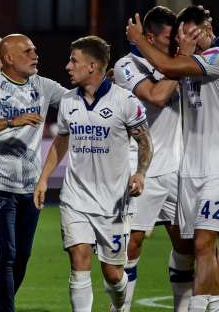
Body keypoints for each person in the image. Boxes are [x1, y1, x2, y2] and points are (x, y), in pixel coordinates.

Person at [34, 36, 152, 312]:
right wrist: (43, 178)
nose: (67, 66)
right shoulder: (68, 102)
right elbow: (62, 140)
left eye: (74, 60)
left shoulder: (125, 101)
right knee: (79, 262)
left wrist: (141, 173)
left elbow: (145, 141)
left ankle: (119, 305)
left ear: (93, 66)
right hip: (76, 197)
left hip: (113, 201)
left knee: (113, 275)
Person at [127, 5, 219, 311]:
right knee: (206, 252)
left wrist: (137, 40)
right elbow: (163, 75)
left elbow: (167, 71)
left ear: (204, 30)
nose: (183, 40)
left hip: (218, 167)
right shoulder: (185, 62)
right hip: (188, 169)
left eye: (191, 33)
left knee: (202, 244)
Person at [114, 6, 192, 311]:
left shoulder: (181, 62)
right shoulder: (126, 65)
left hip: (177, 169)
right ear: (148, 37)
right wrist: (182, 61)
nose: (174, 43)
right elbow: (157, 96)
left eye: (177, 38)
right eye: (168, 37)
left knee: (186, 246)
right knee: (131, 245)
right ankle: (119, 307)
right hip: (140, 168)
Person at [0, 34, 67, 312]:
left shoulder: (43, 86)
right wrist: (12, 120)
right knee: (6, 254)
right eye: (28, 51)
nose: (36, 55)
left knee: (22, 255)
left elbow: (75, 102)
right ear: (9, 58)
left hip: (31, 186)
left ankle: (1, 300)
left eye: (34, 50)